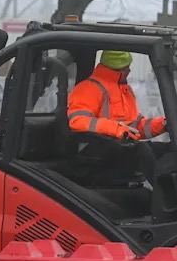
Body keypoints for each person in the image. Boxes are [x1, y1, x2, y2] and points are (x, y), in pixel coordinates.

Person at [66, 50, 167, 185]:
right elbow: (78, 122)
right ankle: (165, 194)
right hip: (95, 156)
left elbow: (134, 128)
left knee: (169, 150)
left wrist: (163, 124)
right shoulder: (88, 88)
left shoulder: (124, 90)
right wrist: (116, 129)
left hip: (121, 150)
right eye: (127, 67)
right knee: (142, 150)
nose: (130, 70)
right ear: (118, 68)